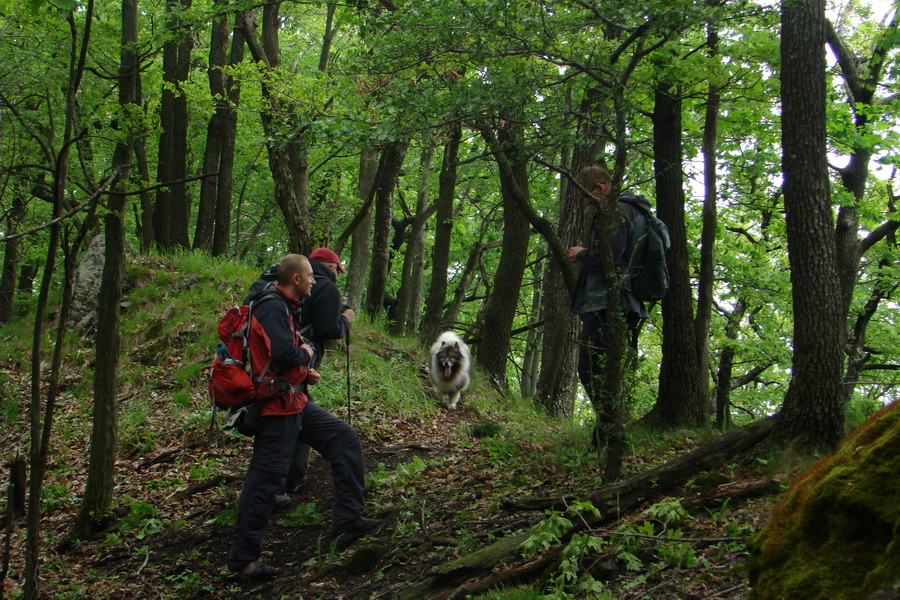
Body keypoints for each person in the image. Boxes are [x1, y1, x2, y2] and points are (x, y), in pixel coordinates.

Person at [227, 254, 379, 579]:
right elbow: (284, 352)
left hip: (293, 399)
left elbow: (278, 355)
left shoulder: (284, 306)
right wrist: (307, 354)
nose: (315, 281)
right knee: (264, 480)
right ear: (295, 279)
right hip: (276, 407)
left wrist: (302, 373)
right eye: (310, 276)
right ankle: (243, 562)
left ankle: (349, 520)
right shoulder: (272, 306)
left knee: (344, 438)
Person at [567, 164, 650, 451]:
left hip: (607, 303)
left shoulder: (616, 211)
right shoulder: (636, 210)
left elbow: (610, 257)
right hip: (625, 302)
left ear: (600, 187)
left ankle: (612, 438)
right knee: (603, 372)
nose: (586, 202)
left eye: (587, 195)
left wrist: (582, 253)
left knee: (590, 371)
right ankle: (605, 439)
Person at [282, 247, 355, 494]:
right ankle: (290, 479)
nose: (337, 275)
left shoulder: (274, 281)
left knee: (282, 417)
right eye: (337, 270)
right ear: (331, 267)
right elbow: (326, 329)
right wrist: (345, 320)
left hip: (265, 365)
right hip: (295, 362)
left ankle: (283, 479)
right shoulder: (326, 287)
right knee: (299, 411)